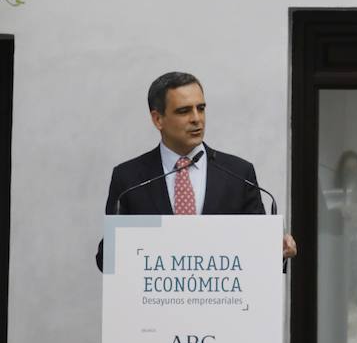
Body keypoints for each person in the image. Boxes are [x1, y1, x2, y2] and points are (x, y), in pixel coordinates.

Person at [95, 70, 296, 269]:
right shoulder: (129, 179)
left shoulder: (239, 174)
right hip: (155, 298)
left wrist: (278, 250)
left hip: (221, 299)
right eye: (184, 111)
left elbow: (257, 251)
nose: (196, 118)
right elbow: (107, 259)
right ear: (158, 119)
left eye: (200, 108)